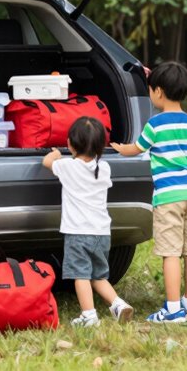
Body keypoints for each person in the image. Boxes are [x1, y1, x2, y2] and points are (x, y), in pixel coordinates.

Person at [112, 62, 187, 324]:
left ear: (159, 92)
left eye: (151, 90)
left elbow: (137, 149)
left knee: (171, 252)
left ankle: (173, 309)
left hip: (169, 197)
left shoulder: (155, 124)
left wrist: (119, 148)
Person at [44, 116, 134, 327]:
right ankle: (118, 304)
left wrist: (55, 154)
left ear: (70, 144)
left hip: (78, 233)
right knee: (98, 277)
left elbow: (47, 163)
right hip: (102, 233)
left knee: (81, 275)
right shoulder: (104, 168)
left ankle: (89, 315)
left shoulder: (67, 166)